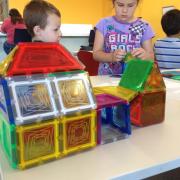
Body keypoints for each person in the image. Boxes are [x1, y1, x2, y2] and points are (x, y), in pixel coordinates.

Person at [93, 0, 155, 75]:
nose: (124, 10)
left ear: (137, 4)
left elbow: (151, 56)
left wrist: (145, 55)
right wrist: (111, 57)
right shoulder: (104, 23)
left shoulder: (144, 26)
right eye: (120, 5)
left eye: (130, 5)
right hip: (106, 78)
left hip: (133, 78)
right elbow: (96, 54)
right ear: (113, 3)